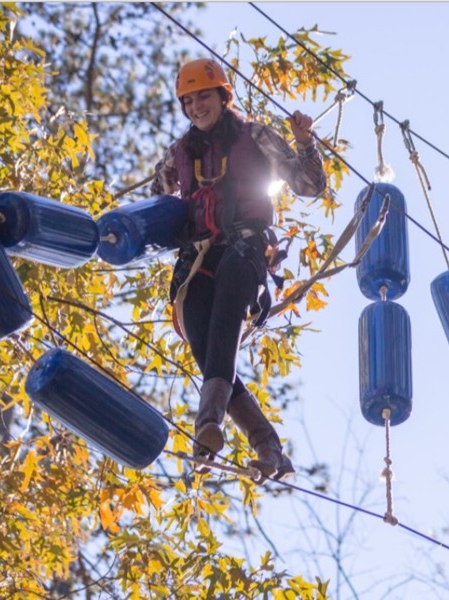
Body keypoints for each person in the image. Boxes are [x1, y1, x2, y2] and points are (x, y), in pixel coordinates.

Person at [151, 58, 327, 481]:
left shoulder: (255, 135)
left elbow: (309, 187)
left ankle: (206, 423)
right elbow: (157, 200)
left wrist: (305, 144)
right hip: (197, 258)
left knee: (227, 313)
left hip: (246, 245)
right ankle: (267, 446)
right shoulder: (178, 152)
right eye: (188, 101)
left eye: (204, 97)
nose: (196, 107)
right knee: (208, 352)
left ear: (222, 96)